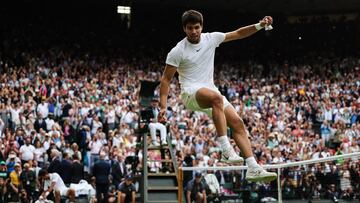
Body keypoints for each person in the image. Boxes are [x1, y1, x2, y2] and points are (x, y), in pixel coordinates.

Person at [158, 9, 277, 182]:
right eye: (190, 28)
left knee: (238, 123)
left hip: (211, 92)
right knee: (216, 98)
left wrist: (259, 25)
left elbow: (238, 33)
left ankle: (252, 168)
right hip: (190, 93)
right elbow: (165, 81)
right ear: (184, 28)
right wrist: (163, 107)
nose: (194, 31)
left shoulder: (211, 38)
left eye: (197, 27)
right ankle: (226, 150)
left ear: (201, 26)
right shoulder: (178, 51)